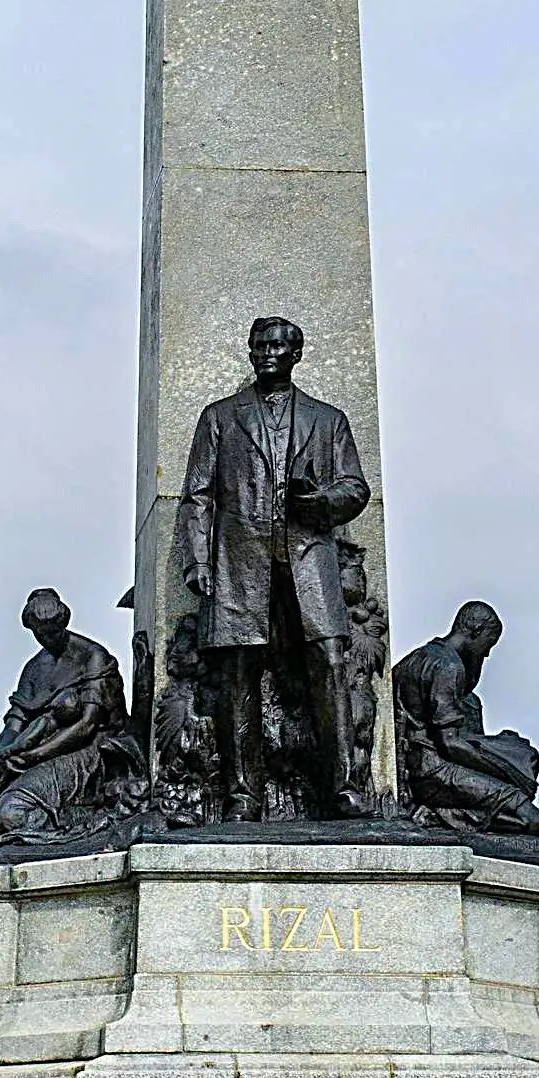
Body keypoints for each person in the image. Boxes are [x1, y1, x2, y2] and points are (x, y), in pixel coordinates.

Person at [174, 316, 371, 819]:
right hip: (240, 564)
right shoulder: (220, 416)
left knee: (329, 663)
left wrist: (320, 501)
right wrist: (198, 559)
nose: (267, 354)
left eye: (278, 346)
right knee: (237, 673)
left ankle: (345, 788)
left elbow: (355, 488)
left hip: (308, 562)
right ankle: (242, 795)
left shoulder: (328, 420)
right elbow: (197, 495)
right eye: (259, 346)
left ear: (296, 354)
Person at [0, 589, 146, 852]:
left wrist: (35, 754)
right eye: (40, 633)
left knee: (13, 811)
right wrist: (3, 749)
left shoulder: (92, 656)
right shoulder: (34, 668)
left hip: (92, 751)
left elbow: (87, 725)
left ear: (63, 623)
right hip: (41, 745)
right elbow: (15, 721)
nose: (47, 639)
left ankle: (52, 827)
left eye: (52, 631)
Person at [393, 601, 539, 838]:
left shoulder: (417, 658)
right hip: (433, 771)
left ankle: (443, 814)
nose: (486, 653)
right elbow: (450, 743)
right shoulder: (448, 666)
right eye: (488, 643)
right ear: (475, 631)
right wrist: (510, 771)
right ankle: (439, 815)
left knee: (518, 750)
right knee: (532, 821)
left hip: (420, 766)